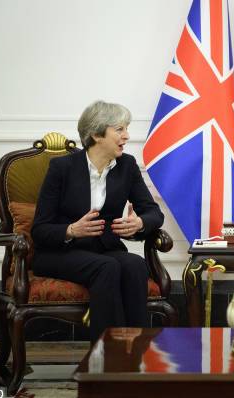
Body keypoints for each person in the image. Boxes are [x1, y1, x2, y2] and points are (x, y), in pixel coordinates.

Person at [31, 100, 164, 344]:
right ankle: (105, 359)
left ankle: (139, 352)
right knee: (106, 268)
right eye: (120, 129)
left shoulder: (127, 166)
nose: (127, 135)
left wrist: (140, 224)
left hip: (103, 250)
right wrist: (72, 230)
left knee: (135, 265)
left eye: (127, 128)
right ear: (96, 134)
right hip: (59, 252)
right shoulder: (62, 168)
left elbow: (153, 212)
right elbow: (39, 229)